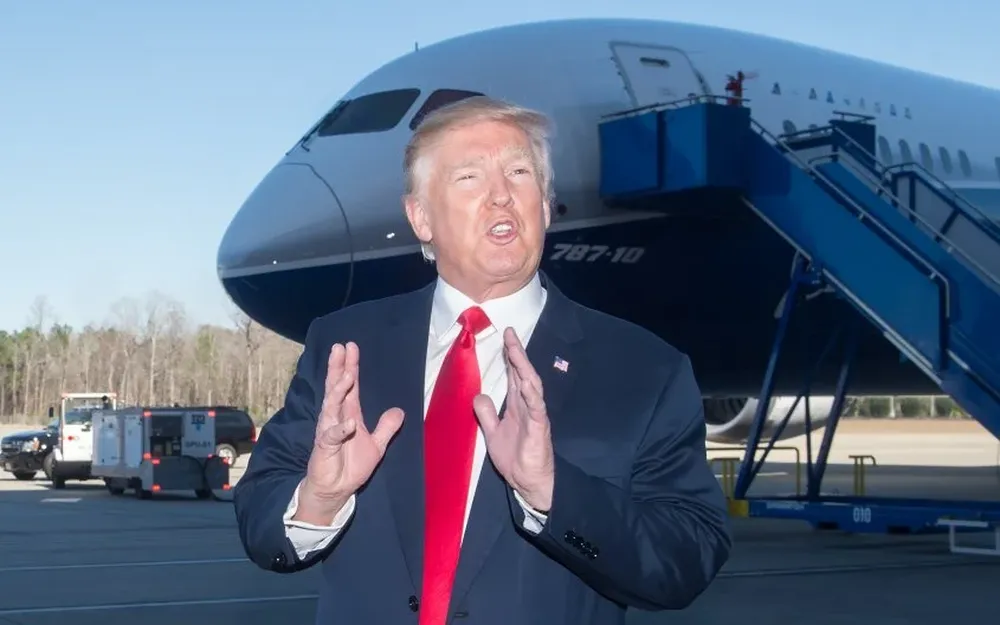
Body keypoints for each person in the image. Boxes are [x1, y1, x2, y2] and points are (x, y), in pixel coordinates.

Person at [233, 95, 732, 625]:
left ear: (544, 205)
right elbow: (261, 519)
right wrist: (318, 498)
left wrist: (553, 492)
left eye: (519, 172)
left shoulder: (646, 369)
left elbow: (686, 560)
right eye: (469, 177)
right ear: (420, 217)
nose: (501, 196)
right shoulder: (345, 347)